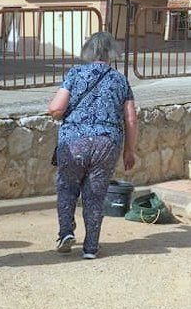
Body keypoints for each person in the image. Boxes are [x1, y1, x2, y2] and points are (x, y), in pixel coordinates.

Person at [48, 31, 138, 259]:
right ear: (111, 53)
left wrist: (61, 114)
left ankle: (66, 232)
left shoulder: (75, 74)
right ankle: (91, 247)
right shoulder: (120, 79)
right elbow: (131, 119)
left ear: (88, 50)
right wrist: (129, 150)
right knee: (96, 194)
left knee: (67, 188)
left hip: (74, 142)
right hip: (107, 144)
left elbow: (56, 108)